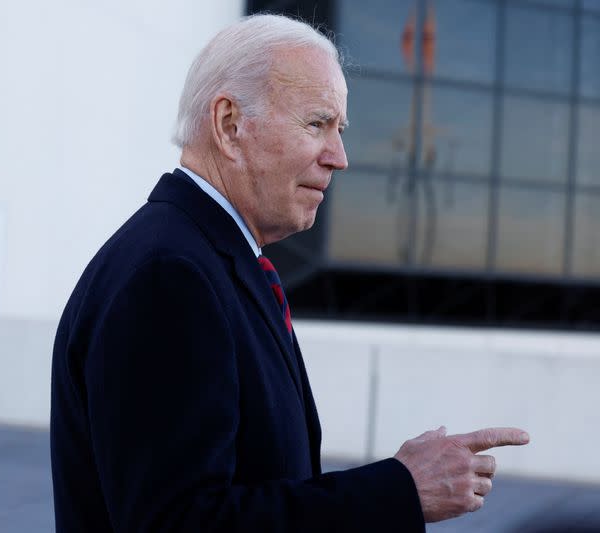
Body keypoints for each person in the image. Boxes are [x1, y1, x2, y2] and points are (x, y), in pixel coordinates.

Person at [50, 14, 529, 532]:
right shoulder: (170, 275)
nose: (340, 157)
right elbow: (180, 523)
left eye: (339, 130)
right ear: (230, 125)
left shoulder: (205, 259)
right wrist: (399, 490)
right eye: (317, 123)